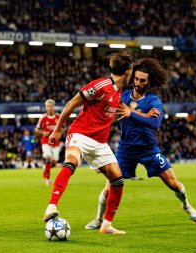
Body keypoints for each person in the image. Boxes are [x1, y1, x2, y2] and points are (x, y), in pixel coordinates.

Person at [85, 58, 196, 230]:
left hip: (148, 149)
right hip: (125, 150)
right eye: (136, 79)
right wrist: (144, 115)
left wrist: (131, 112)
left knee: (173, 184)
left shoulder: (153, 101)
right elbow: (107, 108)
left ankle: (186, 206)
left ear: (149, 82)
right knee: (109, 188)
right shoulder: (122, 96)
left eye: (142, 80)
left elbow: (155, 124)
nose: (138, 83)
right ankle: (99, 219)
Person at [43, 51, 134, 235]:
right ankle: (51, 206)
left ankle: (106, 225)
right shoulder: (100, 85)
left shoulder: (119, 92)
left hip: (100, 143)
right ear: (128, 72)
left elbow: (106, 115)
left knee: (117, 180)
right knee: (72, 162)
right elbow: (71, 104)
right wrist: (57, 129)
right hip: (80, 134)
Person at [35, 99, 61, 186]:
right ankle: (48, 179)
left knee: (54, 162)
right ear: (46, 108)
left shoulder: (58, 117)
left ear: (54, 107)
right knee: (48, 157)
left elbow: (63, 127)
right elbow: (36, 129)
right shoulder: (43, 118)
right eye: (48, 106)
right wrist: (43, 133)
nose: (50, 108)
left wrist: (59, 133)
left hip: (55, 142)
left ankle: (45, 168)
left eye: (51, 106)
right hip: (46, 141)